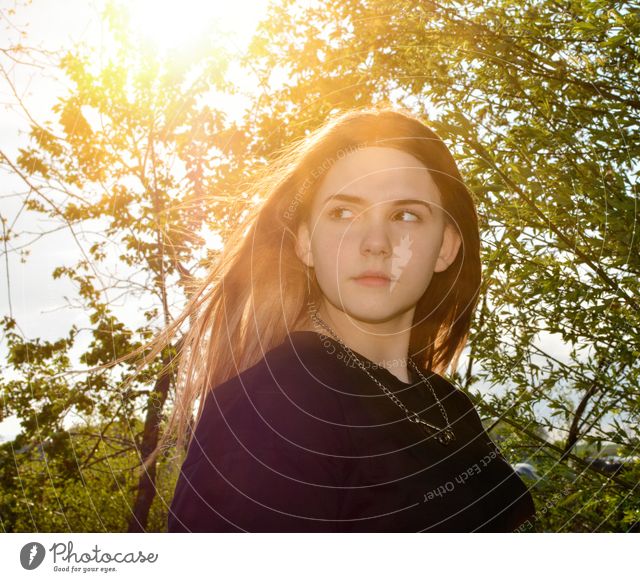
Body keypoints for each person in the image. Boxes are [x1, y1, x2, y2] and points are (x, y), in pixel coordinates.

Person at [153, 105, 535, 532]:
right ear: (305, 243)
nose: (375, 242)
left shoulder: (448, 405)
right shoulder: (270, 409)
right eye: (343, 212)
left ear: (445, 246)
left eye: (405, 215)